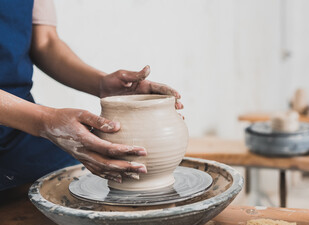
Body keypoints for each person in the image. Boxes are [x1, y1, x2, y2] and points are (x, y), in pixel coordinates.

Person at [0, 0, 183, 191]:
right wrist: (44, 121)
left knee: (84, 174)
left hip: (18, 133)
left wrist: (101, 84)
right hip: (28, 119)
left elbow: (45, 42)